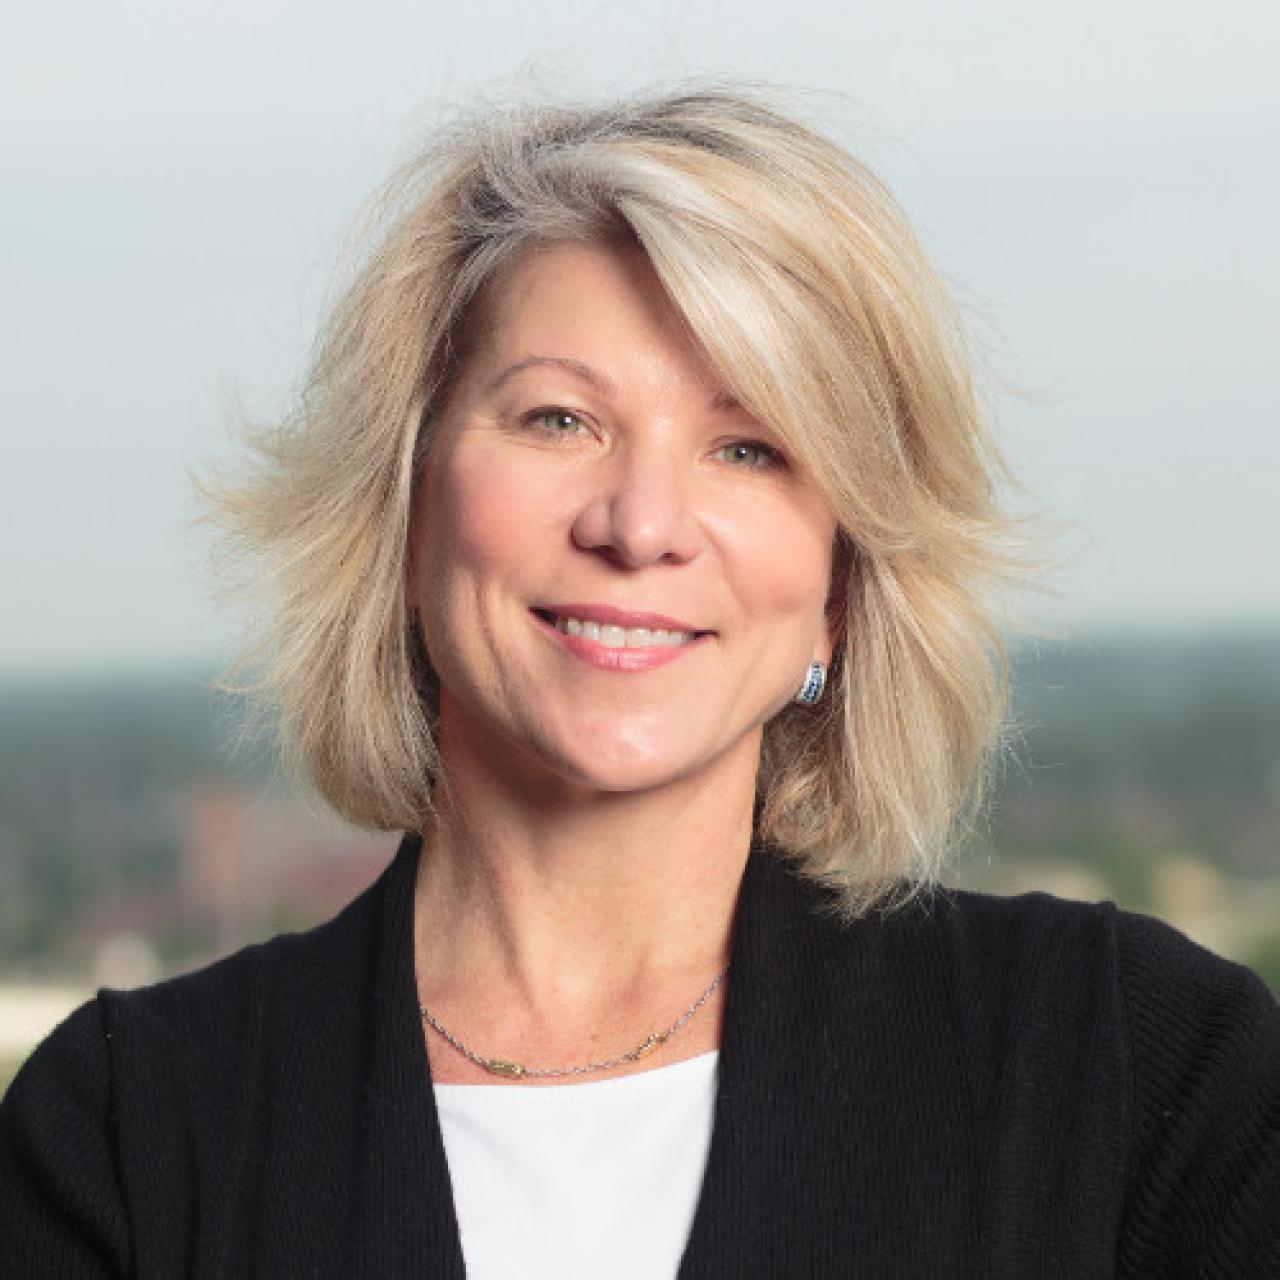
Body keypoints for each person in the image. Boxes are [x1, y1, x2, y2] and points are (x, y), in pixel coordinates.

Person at [2, 86, 1277, 1279]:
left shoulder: (1131, 1067)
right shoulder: (127, 1127)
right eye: (559, 418)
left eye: (748, 446)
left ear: (839, 580)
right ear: (402, 507)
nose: (642, 521)